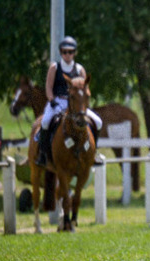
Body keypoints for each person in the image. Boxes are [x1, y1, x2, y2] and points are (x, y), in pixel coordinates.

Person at [35, 36, 103, 166]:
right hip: (57, 101)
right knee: (45, 122)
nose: (68, 55)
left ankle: (93, 153)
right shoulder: (55, 67)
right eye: (65, 52)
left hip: (77, 104)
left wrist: (84, 102)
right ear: (61, 52)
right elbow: (48, 87)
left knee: (98, 122)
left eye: (70, 52)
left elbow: (86, 90)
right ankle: (43, 154)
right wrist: (51, 100)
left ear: (74, 53)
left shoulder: (79, 69)